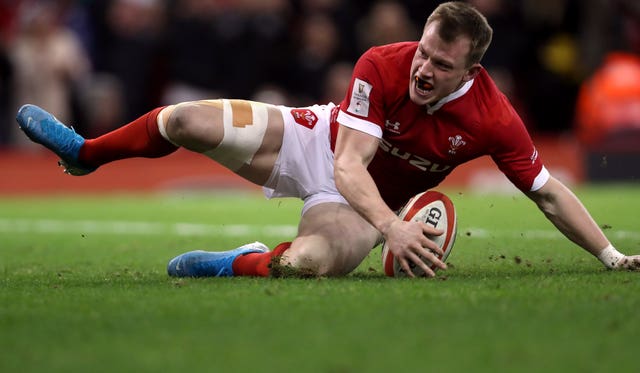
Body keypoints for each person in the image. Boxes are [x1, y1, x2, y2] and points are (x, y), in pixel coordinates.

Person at [16, 2, 639, 278]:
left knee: (305, 266)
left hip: (362, 209)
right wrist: (395, 228)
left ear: (470, 72)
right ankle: (86, 152)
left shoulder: (492, 117)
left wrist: (610, 256)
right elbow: (348, 163)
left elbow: (547, 191)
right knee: (184, 120)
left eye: (440, 66)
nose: (423, 70)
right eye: (423, 53)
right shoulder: (383, 62)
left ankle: (238, 262)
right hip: (320, 143)